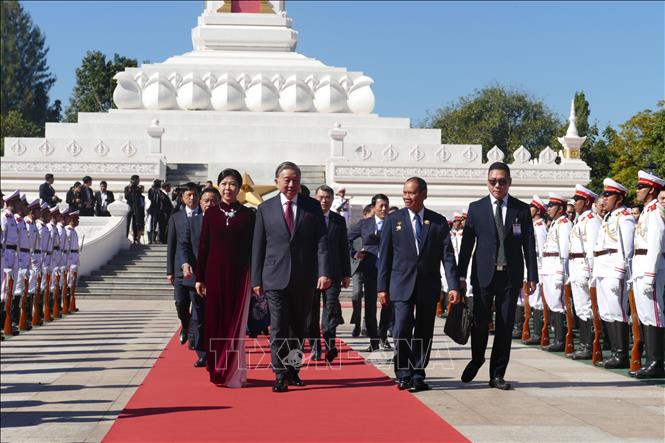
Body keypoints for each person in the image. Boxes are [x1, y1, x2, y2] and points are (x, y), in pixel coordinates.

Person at [457, 162, 538, 390]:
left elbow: (528, 244)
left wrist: (532, 275)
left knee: (504, 325)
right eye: (493, 181)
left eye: (502, 181)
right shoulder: (477, 208)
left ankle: (497, 374)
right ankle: (477, 358)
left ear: (509, 182)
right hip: (483, 274)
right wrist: (460, 276)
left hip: (510, 276)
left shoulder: (520, 210)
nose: (497, 185)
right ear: (487, 182)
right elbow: (466, 246)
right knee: (480, 323)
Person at [251, 161, 330, 393]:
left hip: (305, 277)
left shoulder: (312, 207)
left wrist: (324, 272)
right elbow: (258, 246)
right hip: (274, 276)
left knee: (299, 327)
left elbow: (322, 243)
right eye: (287, 179)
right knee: (278, 326)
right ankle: (279, 373)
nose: (291, 184)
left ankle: (293, 370)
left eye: (296, 179)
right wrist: (256, 279)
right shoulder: (265, 209)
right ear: (277, 181)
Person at [377, 177, 459, 392]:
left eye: (412, 193)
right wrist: (381, 288)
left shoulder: (438, 222)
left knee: (424, 331)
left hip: (428, 285)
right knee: (402, 327)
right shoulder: (393, 220)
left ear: (423, 194)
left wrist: (453, 285)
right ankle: (402, 372)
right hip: (400, 284)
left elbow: (447, 256)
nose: (407, 197)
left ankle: (418, 374)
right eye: (404, 192)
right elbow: (384, 257)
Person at [195, 169, 255, 387]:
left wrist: (255, 278)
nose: (228, 188)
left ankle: (232, 370)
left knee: (235, 323)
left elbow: (253, 250)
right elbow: (204, 247)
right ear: (218, 186)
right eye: (224, 183)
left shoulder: (249, 215)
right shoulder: (210, 214)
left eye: (232, 184)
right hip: (213, 276)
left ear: (239, 188)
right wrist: (200, 278)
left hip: (239, 277)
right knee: (214, 322)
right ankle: (216, 367)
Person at [592, 178, 635, 369]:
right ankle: (615, 352)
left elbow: (626, 249)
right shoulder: (609, 217)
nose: (604, 198)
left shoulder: (624, 216)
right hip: (602, 268)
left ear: (619, 198)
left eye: (608, 195)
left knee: (617, 311)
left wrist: (619, 271)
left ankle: (622, 354)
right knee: (607, 311)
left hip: (613, 269)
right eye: (604, 195)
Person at [307, 185, 351, 362]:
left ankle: (330, 346)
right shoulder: (307, 218)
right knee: (312, 315)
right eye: (321, 197)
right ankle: (316, 348)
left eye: (327, 198)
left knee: (330, 312)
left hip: (333, 273)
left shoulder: (338, 221)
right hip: (311, 274)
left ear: (332, 200)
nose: (324, 200)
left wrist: (347, 274)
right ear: (315, 198)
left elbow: (343, 248)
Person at [348, 194, 393, 351]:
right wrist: (354, 253)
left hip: (389, 270)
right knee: (370, 308)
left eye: (386, 205)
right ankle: (374, 340)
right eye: (380, 206)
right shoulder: (364, 224)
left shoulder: (394, 223)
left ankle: (383, 336)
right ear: (373, 207)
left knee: (388, 305)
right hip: (370, 269)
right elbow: (345, 239)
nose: (384, 209)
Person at [166, 183, 205, 366]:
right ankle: (186, 324)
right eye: (189, 195)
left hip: (199, 271)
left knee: (197, 309)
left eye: (195, 195)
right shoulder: (176, 218)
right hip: (181, 270)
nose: (192, 198)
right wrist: (169, 271)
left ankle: (201, 352)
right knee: (180, 304)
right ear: (182, 197)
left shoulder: (205, 215)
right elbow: (172, 246)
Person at [631, 170, 664, 378]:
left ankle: (657, 361)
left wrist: (650, 274)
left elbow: (655, 244)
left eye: (641, 187)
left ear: (651, 190)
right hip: (640, 267)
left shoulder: (655, 212)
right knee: (645, 315)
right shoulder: (646, 211)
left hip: (651, 268)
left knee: (654, 315)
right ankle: (650, 360)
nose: (637, 190)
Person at [567, 185, 601, 360]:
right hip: (575, 266)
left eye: (578, 200)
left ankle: (590, 345)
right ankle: (584, 344)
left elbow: (592, 248)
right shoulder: (580, 220)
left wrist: (589, 271)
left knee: (587, 307)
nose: (575, 203)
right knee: (580, 307)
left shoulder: (591, 220)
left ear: (586, 201)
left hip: (583, 267)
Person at [540, 193, 573, 352]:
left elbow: (564, 251)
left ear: (560, 208)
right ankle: (557, 338)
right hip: (548, 267)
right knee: (552, 304)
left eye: (552, 206)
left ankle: (561, 339)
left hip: (555, 268)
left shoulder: (564, 224)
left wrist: (561, 272)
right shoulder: (555, 224)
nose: (549, 208)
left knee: (558, 305)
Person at [522, 196, 548, 345]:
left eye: (532, 207)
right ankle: (535, 332)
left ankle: (539, 334)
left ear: (537, 210)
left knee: (537, 301)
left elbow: (542, 250)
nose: (529, 209)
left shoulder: (540, 228)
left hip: (538, 266)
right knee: (532, 300)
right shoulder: (533, 226)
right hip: (531, 266)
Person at [350, 204, 373, 337]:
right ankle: (357, 323)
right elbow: (347, 242)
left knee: (370, 298)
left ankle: (366, 325)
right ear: (364, 215)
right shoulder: (357, 227)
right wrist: (354, 254)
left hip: (371, 266)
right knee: (356, 294)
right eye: (370, 216)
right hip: (357, 266)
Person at [1, 191, 21, 337]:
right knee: (4, 289)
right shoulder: (4, 217)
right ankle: (5, 322)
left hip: (12, 253)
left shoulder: (12, 218)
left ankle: (8, 321)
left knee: (11, 288)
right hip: (6, 253)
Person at [124, 176, 145, 244]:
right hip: (129, 208)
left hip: (136, 208)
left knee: (135, 224)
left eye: (138, 180)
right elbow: (126, 197)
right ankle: (125, 238)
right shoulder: (127, 188)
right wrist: (130, 189)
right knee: (127, 224)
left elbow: (140, 195)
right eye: (137, 180)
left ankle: (135, 239)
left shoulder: (138, 188)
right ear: (133, 180)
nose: (138, 181)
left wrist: (140, 189)